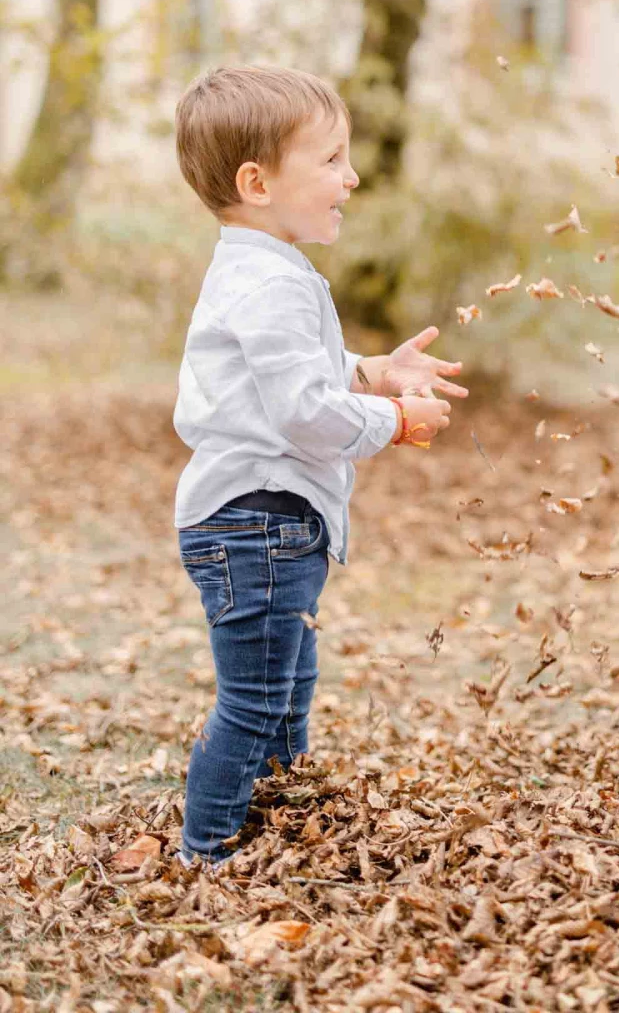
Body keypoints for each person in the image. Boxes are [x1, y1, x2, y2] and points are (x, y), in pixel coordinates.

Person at [172, 64, 467, 867]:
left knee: (288, 686)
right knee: (256, 697)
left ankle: (278, 813)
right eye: (332, 159)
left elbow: (301, 374)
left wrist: (374, 372)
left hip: (268, 523)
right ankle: (208, 852)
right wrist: (396, 421)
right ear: (257, 182)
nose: (353, 175)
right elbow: (303, 412)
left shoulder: (266, 269)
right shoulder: (267, 281)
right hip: (255, 523)